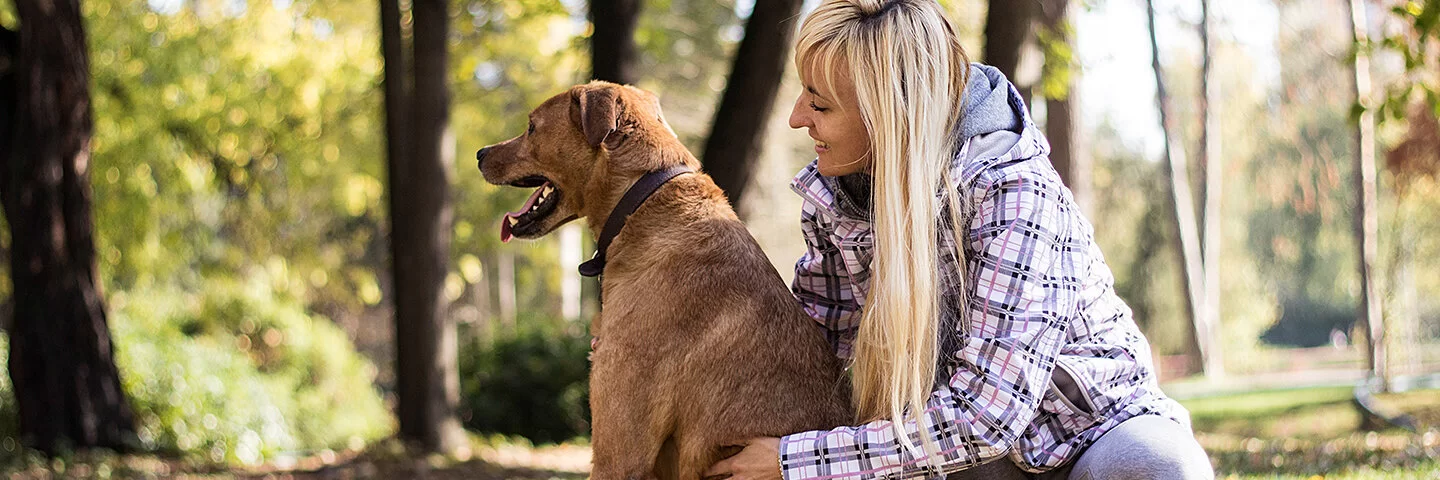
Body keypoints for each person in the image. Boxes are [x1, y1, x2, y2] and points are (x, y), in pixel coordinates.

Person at [703, 1, 1216, 479]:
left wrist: (796, 463)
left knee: (1158, 468)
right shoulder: (835, 196)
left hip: (1088, 433)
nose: (796, 117)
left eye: (820, 103)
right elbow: (814, 357)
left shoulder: (1014, 191)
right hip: (954, 450)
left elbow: (988, 417)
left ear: (891, 111)